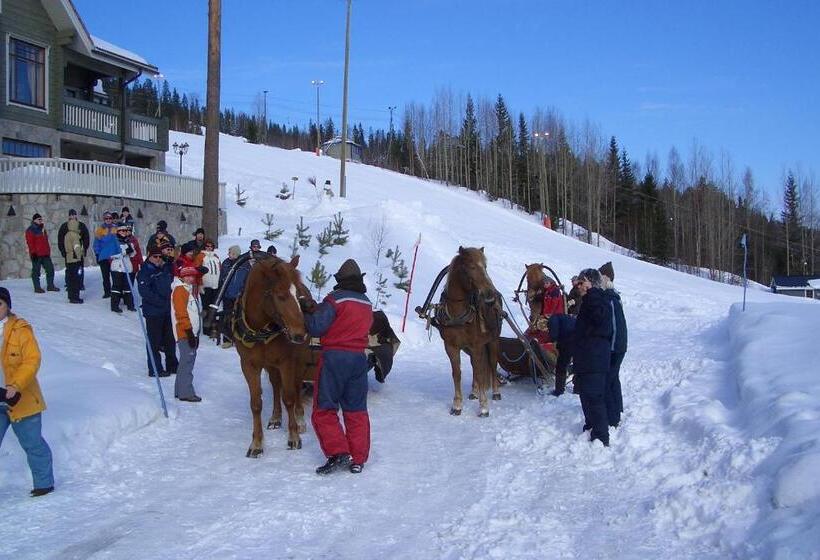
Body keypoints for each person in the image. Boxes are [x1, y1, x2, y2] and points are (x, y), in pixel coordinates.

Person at [305, 259, 374, 475]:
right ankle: (358, 458)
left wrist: (305, 313)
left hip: (334, 358)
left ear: (340, 280)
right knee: (356, 410)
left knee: (324, 408)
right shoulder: (367, 302)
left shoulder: (335, 299)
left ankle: (338, 452)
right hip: (358, 360)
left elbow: (317, 327)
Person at [0, 287, 54, 497]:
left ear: (7, 306)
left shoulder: (21, 329)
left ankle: (44, 483)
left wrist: (16, 385)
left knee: (32, 443)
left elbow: (32, 360)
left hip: (21, 398)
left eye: (0, 304)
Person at [573, 268, 613, 447]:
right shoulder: (589, 301)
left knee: (595, 397)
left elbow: (599, 319)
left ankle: (601, 436)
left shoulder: (597, 299)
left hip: (594, 358)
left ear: (590, 283)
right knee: (586, 395)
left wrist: (593, 292)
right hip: (586, 357)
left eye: (581, 282)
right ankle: (591, 426)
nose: (578, 285)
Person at [137, 247, 178, 378]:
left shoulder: (164, 268)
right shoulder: (145, 271)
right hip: (154, 311)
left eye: (160, 257)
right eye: (155, 257)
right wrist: (160, 302)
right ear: (149, 257)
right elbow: (145, 292)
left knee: (170, 339)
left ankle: (172, 365)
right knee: (154, 341)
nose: (158, 259)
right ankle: (155, 368)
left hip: (167, 310)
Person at [599, 262, 627, 428]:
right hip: (617, 346)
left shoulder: (610, 298)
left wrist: (611, 347)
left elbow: (616, 326)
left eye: (601, 277)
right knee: (613, 378)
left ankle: (612, 418)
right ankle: (618, 408)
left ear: (607, 278)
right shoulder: (611, 296)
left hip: (615, 348)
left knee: (608, 380)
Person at [171, 267, 203, 402]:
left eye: (192, 276)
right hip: (184, 332)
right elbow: (181, 313)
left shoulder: (188, 289)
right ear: (182, 277)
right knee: (187, 363)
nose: (190, 279)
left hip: (191, 332)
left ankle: (179, 390)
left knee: (185, 362)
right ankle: (186, 393)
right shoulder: (180, 290)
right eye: (187, 276)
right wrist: (189, 332)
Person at [25, 214, 59, 294]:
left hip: (45, 254)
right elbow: (30, 243)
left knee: (50, 269)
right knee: (36, 272)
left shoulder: (43, 229)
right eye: (38, 219)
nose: (40, 220)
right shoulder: (30, 230)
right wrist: (33, 253)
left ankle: (50, 286)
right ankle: (37, 287)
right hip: (36, 254)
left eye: (41, 219)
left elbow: (45, 241)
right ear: (34, 220)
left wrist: (48, 251)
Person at [57, 209, 90, 291]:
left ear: (76, 215)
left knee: (80, 268)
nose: (72, 216)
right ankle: (69, 284)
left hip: (79, 251)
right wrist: (63, 251)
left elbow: (86, 238)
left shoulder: (81, 225)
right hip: (69, 253)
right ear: (69, 216)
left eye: (74, 214)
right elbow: (60, 239)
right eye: (71, 215)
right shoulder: (64, 226)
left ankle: (80, 283)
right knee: (69, 269)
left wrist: (84, 249)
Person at [218, 245, 243, 348]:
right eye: (229, 253)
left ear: (236, 254)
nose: (229, 255)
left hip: (239, 296)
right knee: (227, 317)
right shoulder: (226, 263)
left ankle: (238, 339)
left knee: (239, 318)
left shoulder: (244, 264)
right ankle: (227, 339)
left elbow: (246, 279)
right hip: (227, 295)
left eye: (231, 253)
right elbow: (221, 278)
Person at [547, 313, 576, 396]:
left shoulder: (553, 319)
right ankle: (578, 388)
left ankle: (559, 390)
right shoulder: (566, 318)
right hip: (579, 340)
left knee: (561, 366)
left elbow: (554, 334)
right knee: (578, 365)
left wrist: (552, 340)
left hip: (567, 343)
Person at [110, 225, 136, 313]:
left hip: (127, 267)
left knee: (128, 287)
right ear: (118, 232)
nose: (124, 232)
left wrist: (131, 250)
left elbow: (133, 254)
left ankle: (130, 305)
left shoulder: (128, 242)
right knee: (117, 287)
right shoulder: (114, 242)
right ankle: (114, 306)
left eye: (125, 231)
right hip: (117, 267)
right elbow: (112, 255)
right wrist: (124, 252)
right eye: (122, 231)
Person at [93, 212, 119, 298]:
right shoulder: (100, 230)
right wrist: (97, 254)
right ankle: (107, 292)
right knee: (105, 276)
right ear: (104, 219)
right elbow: (96, 243)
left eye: (110, 218)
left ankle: (116, 292)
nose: (108, 220)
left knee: (116, 276)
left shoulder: (116, 228)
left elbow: (119, 241)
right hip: (104, 256)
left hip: (114, 256)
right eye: (106, 218)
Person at [63, 218, 85, 304]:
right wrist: (80, 257)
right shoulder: (75, 235)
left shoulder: (67, 235)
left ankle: (71, 296)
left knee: (70, 278)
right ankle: (75, 297)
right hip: (75, 258)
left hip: (69, 258)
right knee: (76, 279)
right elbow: (77, 248)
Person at [200, 239, 221, 311]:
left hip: (215, 285)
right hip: (205, 285)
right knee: (205, 305)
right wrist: (200, 284)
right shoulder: (201, 256)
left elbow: (220, 269)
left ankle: (213, 315)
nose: (209, 248)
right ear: (204, 247)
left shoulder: (216, 257)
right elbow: (197, 270)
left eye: (211, 246)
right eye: (207, 246)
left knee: (214, 304)